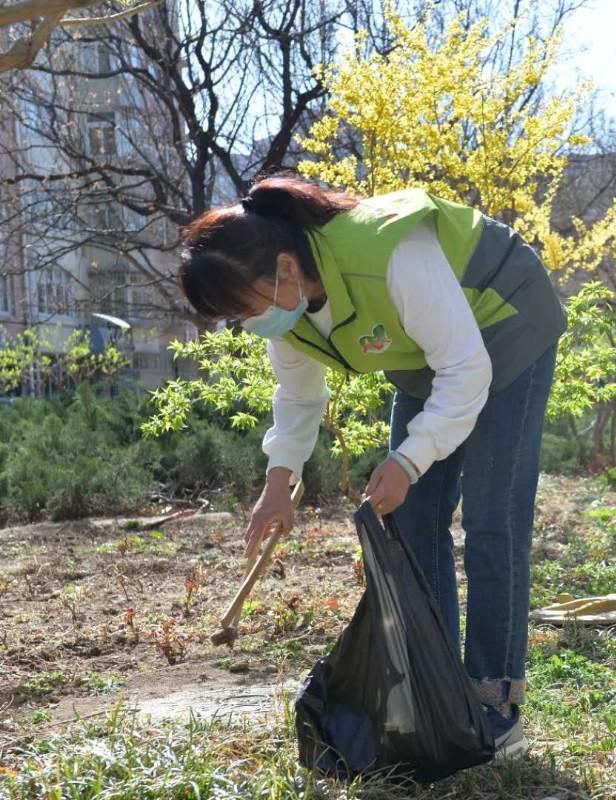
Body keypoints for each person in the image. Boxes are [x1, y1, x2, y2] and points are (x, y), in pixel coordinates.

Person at [177, 175, 566, 757]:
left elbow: (467, 371)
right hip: (431, 353)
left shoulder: (387, 252)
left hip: (505, 320)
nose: (246, 325)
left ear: (285, 268)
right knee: (411, 522)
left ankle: (495, 703)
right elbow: (299, 398)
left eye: (243, 309)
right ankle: (439, 688)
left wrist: (408, 460)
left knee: (493, 518)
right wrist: (278, 483)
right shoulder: (287, 312)